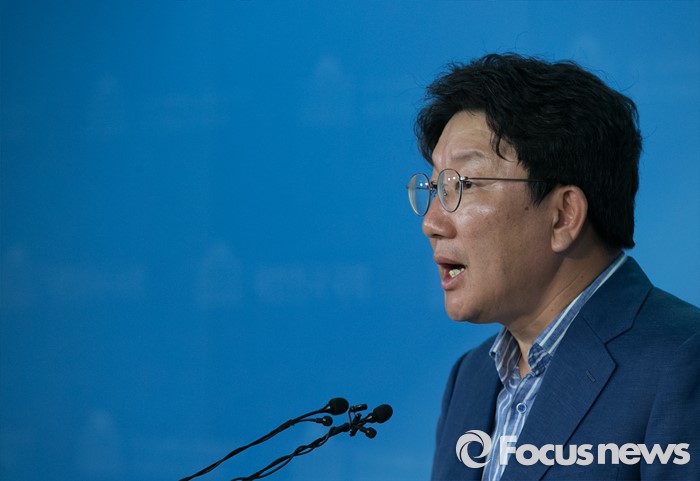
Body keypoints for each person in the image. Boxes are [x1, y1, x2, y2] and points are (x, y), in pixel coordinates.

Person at [407, 53, 700, 481]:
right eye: (435, 186)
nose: (431, 223)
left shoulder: (682, 364)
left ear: (563, 215)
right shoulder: (470, 379)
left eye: (463, 184)